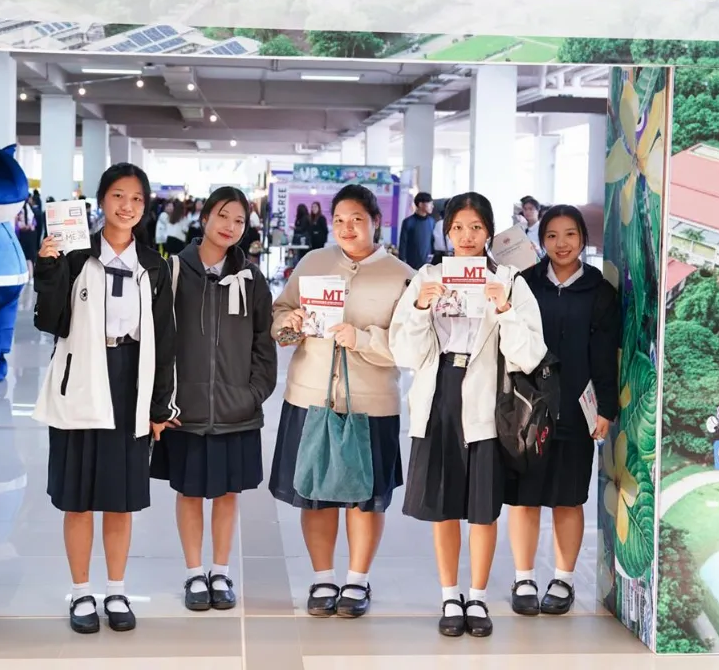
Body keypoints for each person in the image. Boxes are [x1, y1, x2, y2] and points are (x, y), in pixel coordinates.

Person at [389, 192, 546, 639]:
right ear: (446, 231)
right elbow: (404, 353)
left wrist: (504, 309)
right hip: (439, 394)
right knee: (443, 507)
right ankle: (449, 594)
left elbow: (529, 355)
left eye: (476, 227)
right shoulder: (427, 277)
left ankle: (476, 595)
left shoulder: (509, 280)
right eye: (457, 227)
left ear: (489, 232)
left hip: (488, 402)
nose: (466, 236)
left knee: (482, 508)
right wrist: (421, 308)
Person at [31, 163, 178, 635]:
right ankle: (81, 592)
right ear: (101, 201)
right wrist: (48, 268)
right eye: (118, 195)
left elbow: (165, 340)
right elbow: (50, 321)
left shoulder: (153, 265)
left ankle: (116, 590)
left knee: (120, 498)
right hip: (80, 380)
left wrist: (160, 406)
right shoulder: (76, 254)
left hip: (130, 382)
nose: (126, 206)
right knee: (77, 498)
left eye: (136, 198)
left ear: (145, 206)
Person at [268, 184, 413, 619]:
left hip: (372, 405)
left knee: (365, 497)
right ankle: (323, 577)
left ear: (376, 222)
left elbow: (410, 346)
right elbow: (279, 319)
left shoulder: (401, 275)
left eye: (357, 220)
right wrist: (292, 323)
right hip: (310, 396)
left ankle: (357, 579)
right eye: (339, 220)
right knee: (314, 494)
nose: (347, 228)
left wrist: (363, 339)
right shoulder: (313, 262)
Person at [150, 186, 276, 613]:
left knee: (226, 493)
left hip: (236, 408)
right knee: (188, 492)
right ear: (204, 218)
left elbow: (264, 344)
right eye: (223, 216)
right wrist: (162, 401)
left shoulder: (252, 279)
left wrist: (253, 394)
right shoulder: (172, 272)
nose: (230, 226)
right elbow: (158, 342)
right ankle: (193, 572)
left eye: (239, 220)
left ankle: (220, 571)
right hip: (184, 409)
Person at [507, 204, 620, 617]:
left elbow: (604, 355)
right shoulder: (524, 284)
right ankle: (523, 578)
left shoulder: (600, 291)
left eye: (570, 234)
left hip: (575, 408)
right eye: (552, 236)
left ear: (583, 239)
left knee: (568, 499)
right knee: (524, 498)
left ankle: (563, 579)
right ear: (541, 241)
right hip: (527, 408)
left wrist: (605, 407)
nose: (561, 244)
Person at [398, 191, 436, 269]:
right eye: (430, 203)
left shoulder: (432, 222)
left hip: (428, 264)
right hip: (411, 264)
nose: (432, 206)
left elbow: (433, 242)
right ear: (420, 204)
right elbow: (403, 243)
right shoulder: (408, 222)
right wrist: (402, 261)